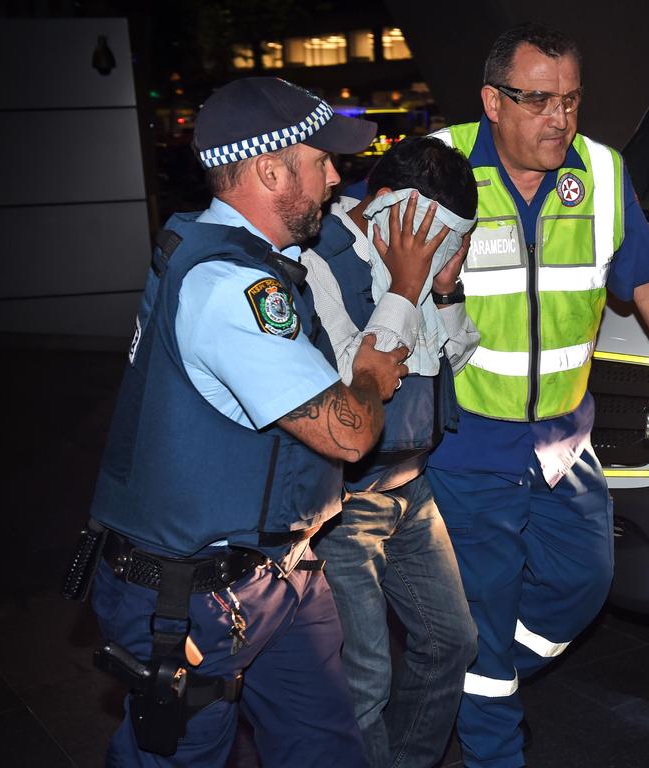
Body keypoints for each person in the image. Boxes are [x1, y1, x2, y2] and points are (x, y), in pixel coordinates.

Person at [424, 23, 649, 768]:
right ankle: (492, 740)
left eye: (570, 100)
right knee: (485, 608)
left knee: (582, 584)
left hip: (564, 442)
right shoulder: (438, 168)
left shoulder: (598, 173)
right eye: (537, 100)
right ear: (491, 102)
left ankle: (474, 680)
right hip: (467, 445)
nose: (558, 119)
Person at [71, 77, 408, 767]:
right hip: (187, 600)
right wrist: (373, 369)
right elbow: (347, 431)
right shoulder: (232, 288)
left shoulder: (236, 259)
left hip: (272, 577)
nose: (336, 178)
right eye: (322, 162)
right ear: (270, 169)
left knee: (324, 750)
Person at [302, 137, 480, 768]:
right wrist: (405, 289)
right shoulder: (319, 261)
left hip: (412, 487)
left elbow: (447, 364)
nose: (436, 254)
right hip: (345, 502)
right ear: (383, 206)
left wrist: (445, 289)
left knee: (451, 643)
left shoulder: (416, 256)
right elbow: (352, 389)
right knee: (364, 680)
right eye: (433, 237)